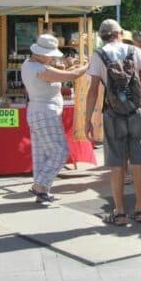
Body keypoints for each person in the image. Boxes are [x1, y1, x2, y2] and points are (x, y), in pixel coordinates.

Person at [85, 19, 141, 226]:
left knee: (117, 166)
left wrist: (88, 120)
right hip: (136, 112)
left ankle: (119, 212)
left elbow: (93, 90)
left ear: (102, 36)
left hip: (113, 114)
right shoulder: (134, 51)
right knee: (139, 163)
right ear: (119, 32)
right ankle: (140, 210)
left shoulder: (99, 55)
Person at [21, 34, 88, 204]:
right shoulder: (40, 69)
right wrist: (87, 66)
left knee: (41, 155)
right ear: (41, 54)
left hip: (38, 111)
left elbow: (60, 72)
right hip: (46, 112)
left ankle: (42, 192)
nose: (52, 57)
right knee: (60, 151)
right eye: (50, 55)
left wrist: (66, 66)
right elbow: (71, 76)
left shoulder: (30, 65)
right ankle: (39, 186)